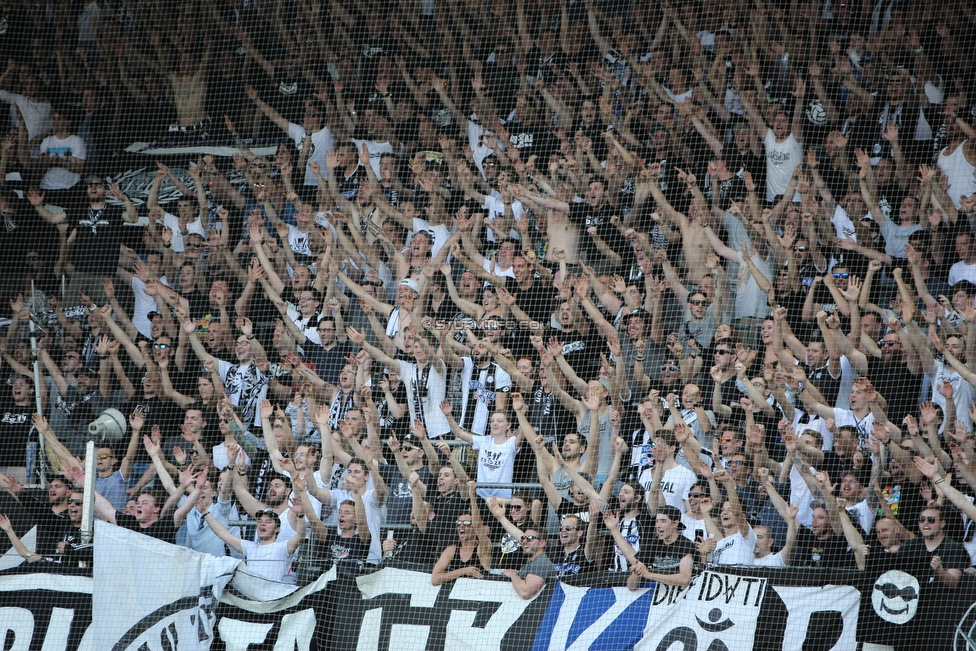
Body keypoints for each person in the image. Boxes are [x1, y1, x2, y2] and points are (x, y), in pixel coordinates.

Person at [204, 506, 306, 583]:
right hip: (250, 599)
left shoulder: (283, 547)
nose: (262, 524)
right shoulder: (249, 547)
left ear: (277, 528)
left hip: (272, 599)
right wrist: (205, 512)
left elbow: (301, 536)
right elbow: (223, 534)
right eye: (260, 521)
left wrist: (300, 516)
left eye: (268, 522)